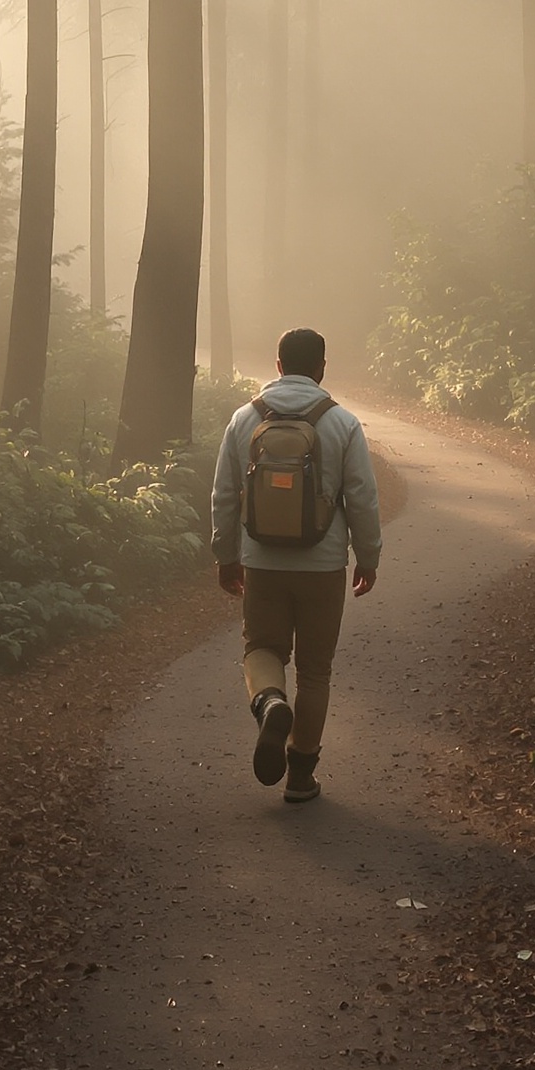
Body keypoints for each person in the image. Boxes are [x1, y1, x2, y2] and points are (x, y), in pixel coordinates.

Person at [211, 327, 381, 804]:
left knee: (262, 647)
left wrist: (226, 555)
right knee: (315, 670)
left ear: (278, 364)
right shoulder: (342, 422)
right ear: (322, 367)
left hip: (261, 560)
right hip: (323, 564)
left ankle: (270, 702)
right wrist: (368, 557)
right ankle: (301, 776)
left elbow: (225, 494)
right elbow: (363, 498)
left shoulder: (245, 418)